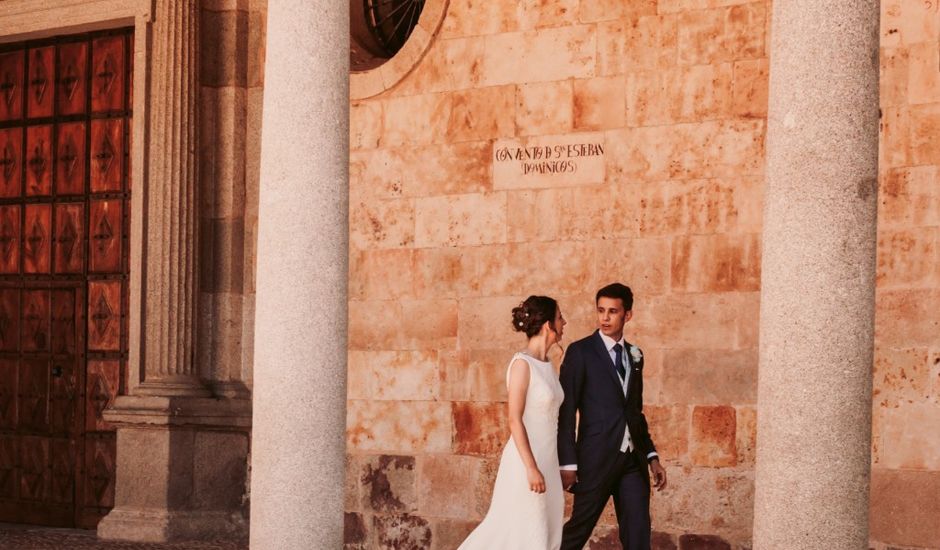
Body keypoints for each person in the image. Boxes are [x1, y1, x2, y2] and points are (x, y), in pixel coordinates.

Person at [557, 283, 668, 550]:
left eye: (613, 312)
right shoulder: (580, 351)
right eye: (601, 311)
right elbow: (566, 410)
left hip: (633, 460)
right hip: (595, 457)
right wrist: (568, 463)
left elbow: (635, 412)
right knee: (578, 530)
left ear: (627, 315)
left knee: (638, 533)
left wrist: (652, 456)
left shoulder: (635, 355)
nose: (605, 318)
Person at [459, 295, 567, 550]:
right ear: (548, 325)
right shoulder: (522, 364)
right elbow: (514, 419)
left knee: (547, 530)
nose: (564, 322)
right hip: (526, 462)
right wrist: (530, 467)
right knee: (524, 531)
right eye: (560, 317)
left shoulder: (548, 365)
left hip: (548, 461)